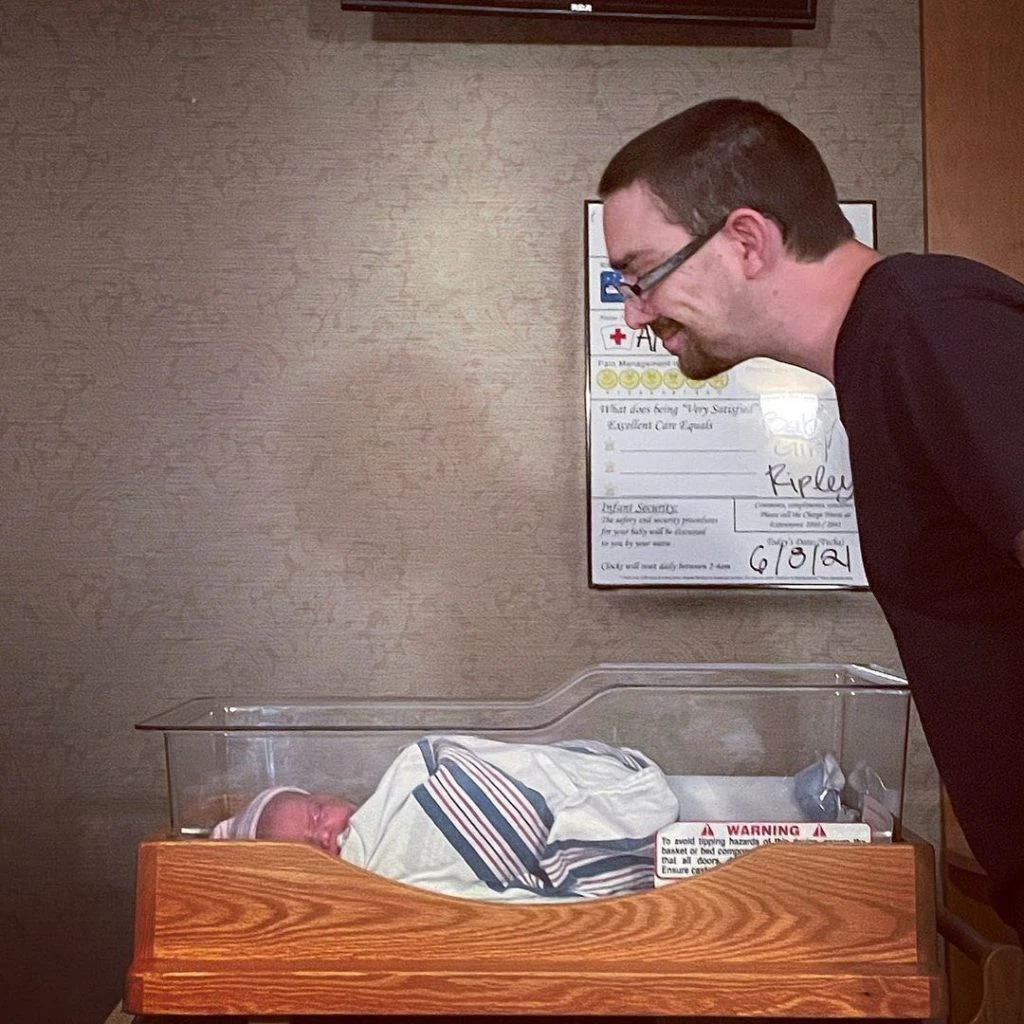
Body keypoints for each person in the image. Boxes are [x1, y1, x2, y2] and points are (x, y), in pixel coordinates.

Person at [597, 97, 1024, 942]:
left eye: (642, 275)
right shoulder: (882, 348)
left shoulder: (927, 324)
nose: (635, 313)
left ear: (747, 240)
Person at [211, 734, 680, 901]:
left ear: (329, 795)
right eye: (309, 850)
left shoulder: (405, 788)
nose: (326, 834)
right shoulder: (365, 875)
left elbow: (466, 773)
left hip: (566, 790)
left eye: (317, 814)